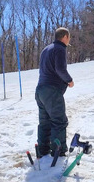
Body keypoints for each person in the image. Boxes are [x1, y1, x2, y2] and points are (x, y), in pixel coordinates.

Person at [35, 27, 74, 157]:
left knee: (45, 122)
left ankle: (43, 150)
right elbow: (60, 69)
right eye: (69, 38)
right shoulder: (60, 49)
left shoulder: (46, 49)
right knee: (59, 121)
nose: (69, 41)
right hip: (52, 91)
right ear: (65, 37)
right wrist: (69, 80)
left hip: (40, 90)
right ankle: (59, 150)